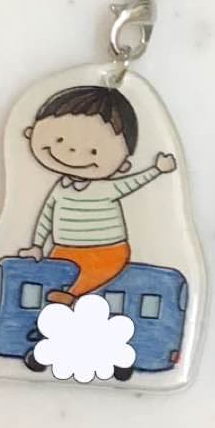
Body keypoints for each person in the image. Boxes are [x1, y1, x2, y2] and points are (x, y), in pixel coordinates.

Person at [18, 85, 177, 306]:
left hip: (108, 249)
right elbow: (46, 216)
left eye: (93, 151)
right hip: (63, 248)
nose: (72, 152)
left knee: (95, 271)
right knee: (51, 276)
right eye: (59, 141)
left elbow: (133, 183)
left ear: (123, 165)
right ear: (30, 133)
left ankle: (71, 296)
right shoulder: (60, 189)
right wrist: (36, 246)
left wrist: (157, 170)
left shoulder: (106, 189)